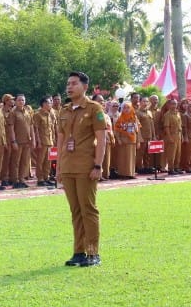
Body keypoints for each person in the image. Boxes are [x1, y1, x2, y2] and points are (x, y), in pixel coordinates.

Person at [58, 72, 107, 267]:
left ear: (85, 86)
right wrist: (58, 168)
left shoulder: (94, 109)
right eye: (68, 84)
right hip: (68, 167)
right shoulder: (64, 110)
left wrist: (98, 165)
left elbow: (101, 139)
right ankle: (78, 251)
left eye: (74, 84)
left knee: (88, 209)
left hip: (86, 167)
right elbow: (60, 140)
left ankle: (93, 253)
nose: (69, 87)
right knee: (75, 210)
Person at [9, 94, 34, 188]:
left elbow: (31, 126)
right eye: (19, 100)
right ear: (15, 101)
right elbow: (11, 127)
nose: (21, 102)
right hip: (18, 141)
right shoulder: (13, 112)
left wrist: (33, 139)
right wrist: (13, 141)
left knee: (25, 161)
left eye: (23, 100)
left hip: (27, 141)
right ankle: (15, 180)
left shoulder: (27, 112)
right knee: (16, 161)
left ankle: (22, 179)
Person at [113, 100, 140, 178]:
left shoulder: (134, 118)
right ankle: (123, 174)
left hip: (132, 140)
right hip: (123, 140)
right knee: (123, 157)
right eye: (124, 108)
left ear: (131, 108)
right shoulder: (120, 118)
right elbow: (116, 129)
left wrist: (138, 141)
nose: (126, 109)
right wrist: (118, 139)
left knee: (132, 157)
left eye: (128, 107)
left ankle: (131, 173)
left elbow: (138, 130)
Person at [32, 97, 55, 186]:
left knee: (48, 161)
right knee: (40, 161)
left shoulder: (49, 114)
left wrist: (53, 139)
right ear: (44, 104)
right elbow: (36, 129)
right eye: (49, 103)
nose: (51, 104)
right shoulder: (38, 114)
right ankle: (40, 179)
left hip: (49, 141)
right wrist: (38, 141)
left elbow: (51, 129)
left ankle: (46, 177)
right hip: (42, 141)